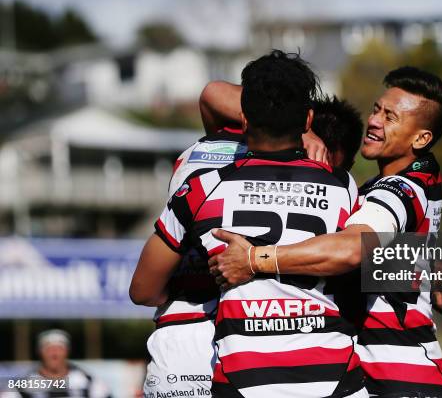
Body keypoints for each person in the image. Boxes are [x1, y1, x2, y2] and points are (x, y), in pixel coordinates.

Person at [209, 66, 442, 398]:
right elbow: (436, 280)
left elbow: (352, 249)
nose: (375, 121)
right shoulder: (418, 183)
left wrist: (254, 259)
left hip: (393, 381)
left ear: (421, 138)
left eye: (391, 117)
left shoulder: (395, 194)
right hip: (409, 378)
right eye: (377, 109)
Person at [131, 49, 367, 397]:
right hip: (326, 366)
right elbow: (362, 254)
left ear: (242, 116)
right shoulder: (342, 185)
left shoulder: (202, 183)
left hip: (210, 351)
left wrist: (228, 269)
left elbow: (142, 290)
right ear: (307, 120)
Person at [12, 329, 111, 398]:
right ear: (40, 352)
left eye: (59, 348)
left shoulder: (88, 382)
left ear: (67, 351)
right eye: (49, 349)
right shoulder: (22, 386)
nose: (54, 354)